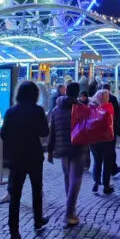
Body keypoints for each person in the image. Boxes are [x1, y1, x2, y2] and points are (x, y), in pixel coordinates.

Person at [1, 81, 50, 239]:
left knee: (15, 194)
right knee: (37, 189)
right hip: (34, 156)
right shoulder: (37, 111)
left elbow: (3, 134)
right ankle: (38, 220)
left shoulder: (10, 112)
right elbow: (44, 132)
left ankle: (14, 231)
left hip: (16, 157)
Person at [48, 82, 89, 227]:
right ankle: (69, 212)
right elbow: (87, 132)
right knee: (76, 179)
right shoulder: (82, 108)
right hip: (78, 148)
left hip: (62, 149)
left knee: (67, 178)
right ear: (77, 93)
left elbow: (52, 131)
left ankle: (70, 207)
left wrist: (50, 150)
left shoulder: (56, 109)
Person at [90, 89, 117, 193]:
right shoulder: (108, 108)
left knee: (97, 162)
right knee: (107, 163)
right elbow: (113, 125)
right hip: (106, 140)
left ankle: (96, 183)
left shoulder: (91, 108)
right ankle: (106, 186)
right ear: (106, 98)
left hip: (94, 141)